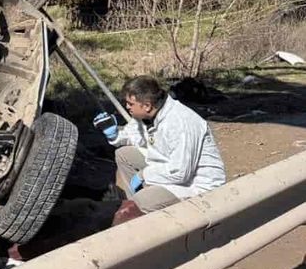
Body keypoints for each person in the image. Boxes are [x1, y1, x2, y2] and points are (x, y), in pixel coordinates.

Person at [93, 75, 226, 213]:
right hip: (167, 166)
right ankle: (133, 205)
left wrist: (143, 175)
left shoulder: (180, 122)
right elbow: (133, 136)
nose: (127, 107)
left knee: (141, 201)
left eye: (130, 104)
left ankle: (142, 210)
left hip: (196, 186)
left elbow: (180, 173)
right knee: (123, 155)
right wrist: (113, 134)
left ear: (147, 105)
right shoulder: (150, 113)